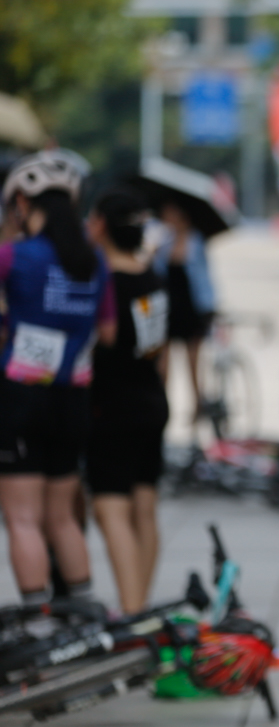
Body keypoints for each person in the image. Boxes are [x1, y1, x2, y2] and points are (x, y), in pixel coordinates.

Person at [0, 151, 115, 606]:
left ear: (23, 203)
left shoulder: (13, 256)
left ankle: (37, 617)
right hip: (72, 399)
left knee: (22, 519)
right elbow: (108, 333)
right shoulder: (95, 261)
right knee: (62, 518)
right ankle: (84, 613)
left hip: (20, 398)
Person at [85, 191, 170, 614]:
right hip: (152, 400)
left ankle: (132, 614)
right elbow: (162, 350)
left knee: (110, 507)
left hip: (112, 404)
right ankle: (140, 607)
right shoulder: (151, 278)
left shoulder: (105, 282)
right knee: (144, 508)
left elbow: (107, 340)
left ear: (101, 224)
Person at [154, 199, 216, 420]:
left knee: (193, 364)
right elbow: (156, 272)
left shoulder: (196, 241)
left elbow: (204, 277)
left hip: (191, 307)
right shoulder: (163, 242)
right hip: (169, 308)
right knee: (163, 364)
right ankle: (162, 406)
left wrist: (210, 307)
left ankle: (197, 406)